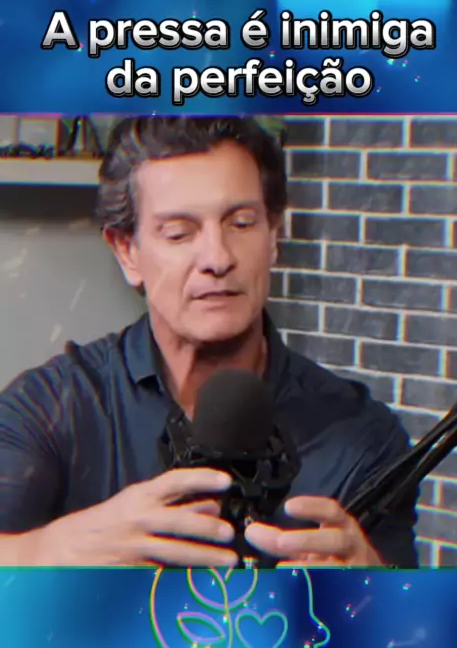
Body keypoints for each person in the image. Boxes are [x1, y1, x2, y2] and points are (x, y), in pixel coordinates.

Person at [0, 116, 418, 568]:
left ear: (273, 236)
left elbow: (407, 609)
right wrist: (49, 552)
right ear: (127, 251)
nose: (217, 258)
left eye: (242, 223)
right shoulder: (50, 408)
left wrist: (370, 591)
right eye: (179, 233)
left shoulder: (361, 435)